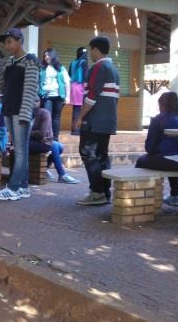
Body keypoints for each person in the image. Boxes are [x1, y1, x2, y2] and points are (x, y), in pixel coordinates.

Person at [0, 28, 39, 201]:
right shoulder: (9, 62)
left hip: (22, 112)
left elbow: (30, 90)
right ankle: (23, 187)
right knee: (19, 150)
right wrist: (0, 64)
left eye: (10, 41)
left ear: (20, 41)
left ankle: (13, 187)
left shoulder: (30, 61)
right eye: (6, 42)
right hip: (10, 110)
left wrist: (25, 115)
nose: (7, 45)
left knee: (20, 150)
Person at [75, 36, 120, 206]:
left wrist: (80, 117)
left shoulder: (98, 67)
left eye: (90, 50)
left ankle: (97, 192)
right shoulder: (114, 70)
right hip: (108, 121)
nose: (90, 54)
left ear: (95, 49)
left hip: (94, 121)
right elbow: (115, 98)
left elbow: (91, 97)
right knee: (102, 156)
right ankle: (105, 192)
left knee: (87, 152)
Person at [135, 92, 178, 206]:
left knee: (142, 161)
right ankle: (175, 196)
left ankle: (145, 199)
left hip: (172, 162)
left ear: (161, 104)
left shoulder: (159, 119)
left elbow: (150, 148)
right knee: (173, 157)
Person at [29, 99, 79, 184]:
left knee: (60, 147)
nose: (34, 103)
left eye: (36, 101)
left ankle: (45, 169)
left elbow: (43, 133)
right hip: (27, 142)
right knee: (53, 146)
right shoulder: (25, 114)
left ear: (40, 103)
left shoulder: (43, 113)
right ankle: (62, 175)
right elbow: (39, 134)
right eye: (32, 101)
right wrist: (34, 134)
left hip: (37, 141)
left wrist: (31, 133)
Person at [39, 48, 70, 141]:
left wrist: (68, 96)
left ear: (53, 56)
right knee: (48, 116)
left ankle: (55, 138)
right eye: (45, 55)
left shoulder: (61, 68)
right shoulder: (42, 68)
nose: (46, 57)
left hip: (59, 96)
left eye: (48, 55)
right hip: (47, 96)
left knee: (56, 118)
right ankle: (48, 137)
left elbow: (67, 82)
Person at [68, 47, 88, 135]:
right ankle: (77, 130)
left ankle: (74, 130)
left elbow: (69, 75)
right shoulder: (84, 63)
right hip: (80, 87)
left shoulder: (73, 63)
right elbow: (86, 76)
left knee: (75, 109)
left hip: (73, 86)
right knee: (81, 110)